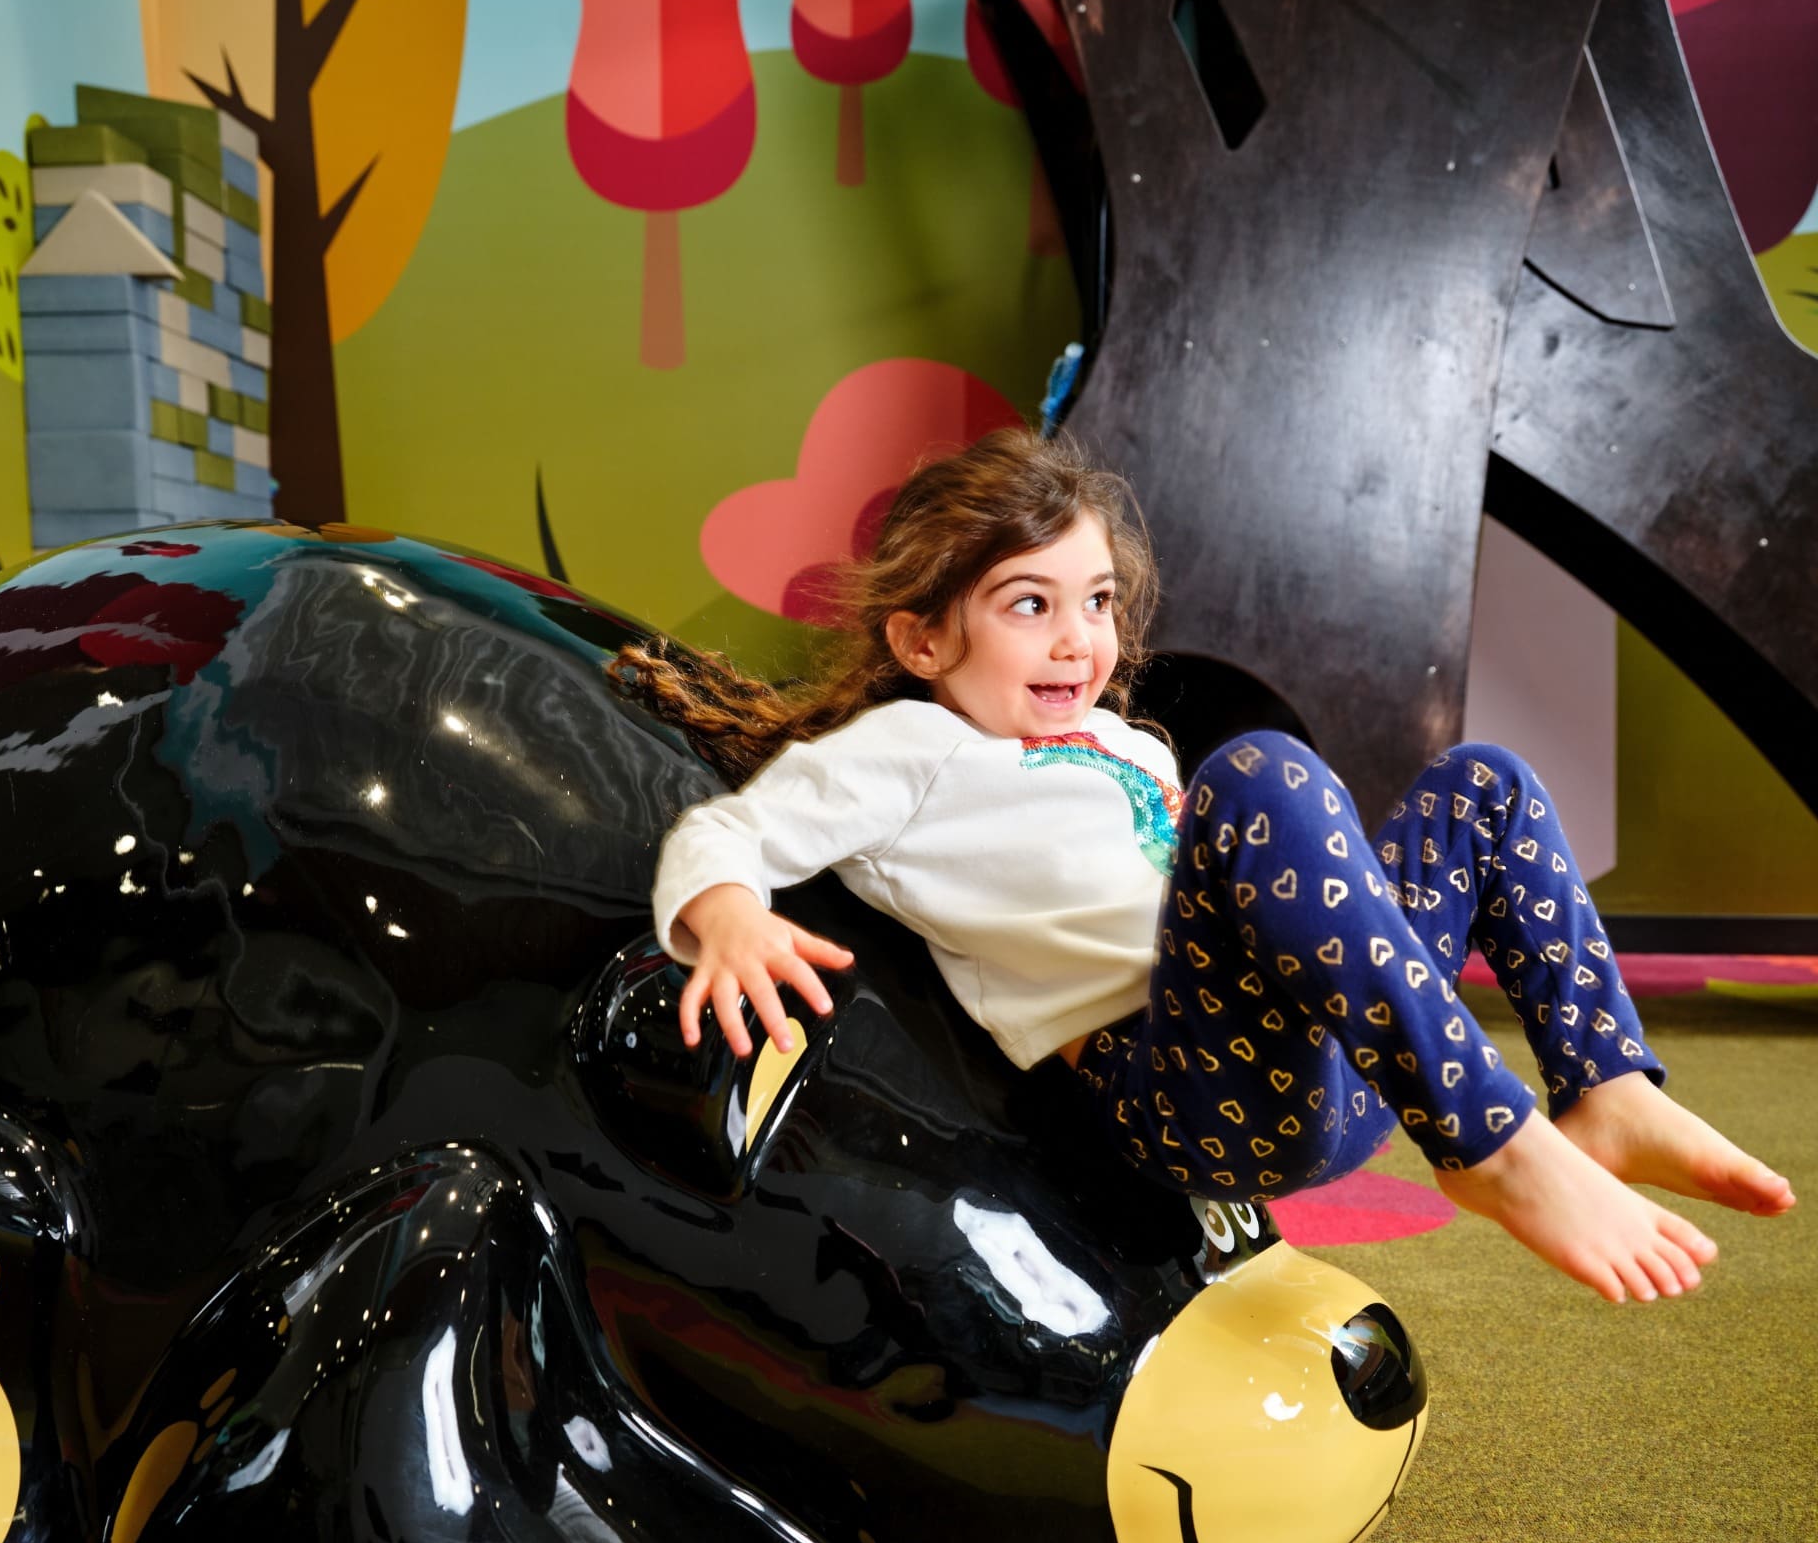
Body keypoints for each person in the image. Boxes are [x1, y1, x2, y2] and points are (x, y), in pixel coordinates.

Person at [613, 429, 1793, 1303]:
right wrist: (723, 919)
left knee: (1478, 786)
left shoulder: (1120, 739)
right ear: (923, 637)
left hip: (1339, 1059)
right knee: (1259, 774)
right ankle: (1494, 1144)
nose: (1079, 638)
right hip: (1189, 1092)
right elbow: (727, 834)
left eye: (1097, 601)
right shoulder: (908, 751)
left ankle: (1603, 1092)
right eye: (1029, 605)